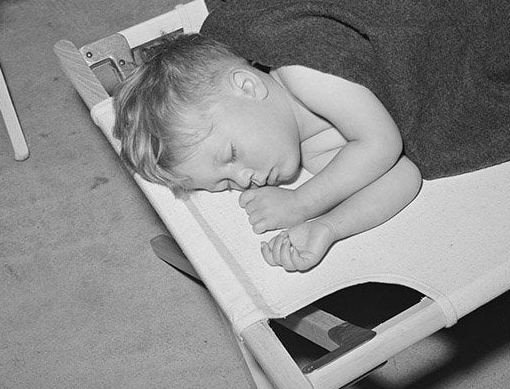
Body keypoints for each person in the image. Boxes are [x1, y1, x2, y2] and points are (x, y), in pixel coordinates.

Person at [112, 33, 423, 272]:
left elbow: (382, 143)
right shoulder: (314, 152)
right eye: (225, 183)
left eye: (231, 155)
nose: (243, 180)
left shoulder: (302, 70)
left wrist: (302, 202)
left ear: (247, 87)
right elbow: (403, 175)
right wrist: (327, 227)